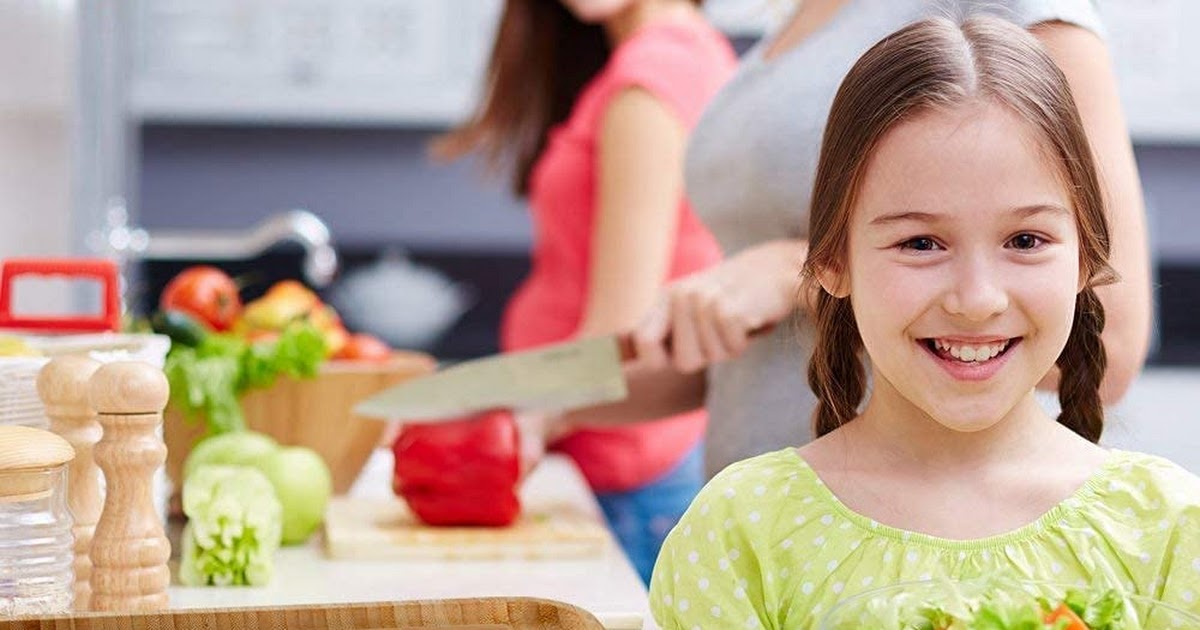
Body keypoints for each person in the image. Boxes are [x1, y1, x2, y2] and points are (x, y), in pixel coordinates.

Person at [648, 15, 1200, 628]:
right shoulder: (739, 532)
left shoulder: (1171, 527)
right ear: (832, 260)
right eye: (920, 244)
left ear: (1085, 258)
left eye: (1024, 238)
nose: (977, 298)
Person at [560, 0, 1153, 480]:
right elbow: (747, 355)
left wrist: (791, 273)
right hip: (757, 536)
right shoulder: (789, 27)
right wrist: (519, 398)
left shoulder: (1019, 14)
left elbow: (1108, 345)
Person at [433, 0, 736, 584]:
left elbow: (617, 334)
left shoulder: (650, 80)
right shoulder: (691, 54)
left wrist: (492, 417)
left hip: (623, 481)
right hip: (628, 467)